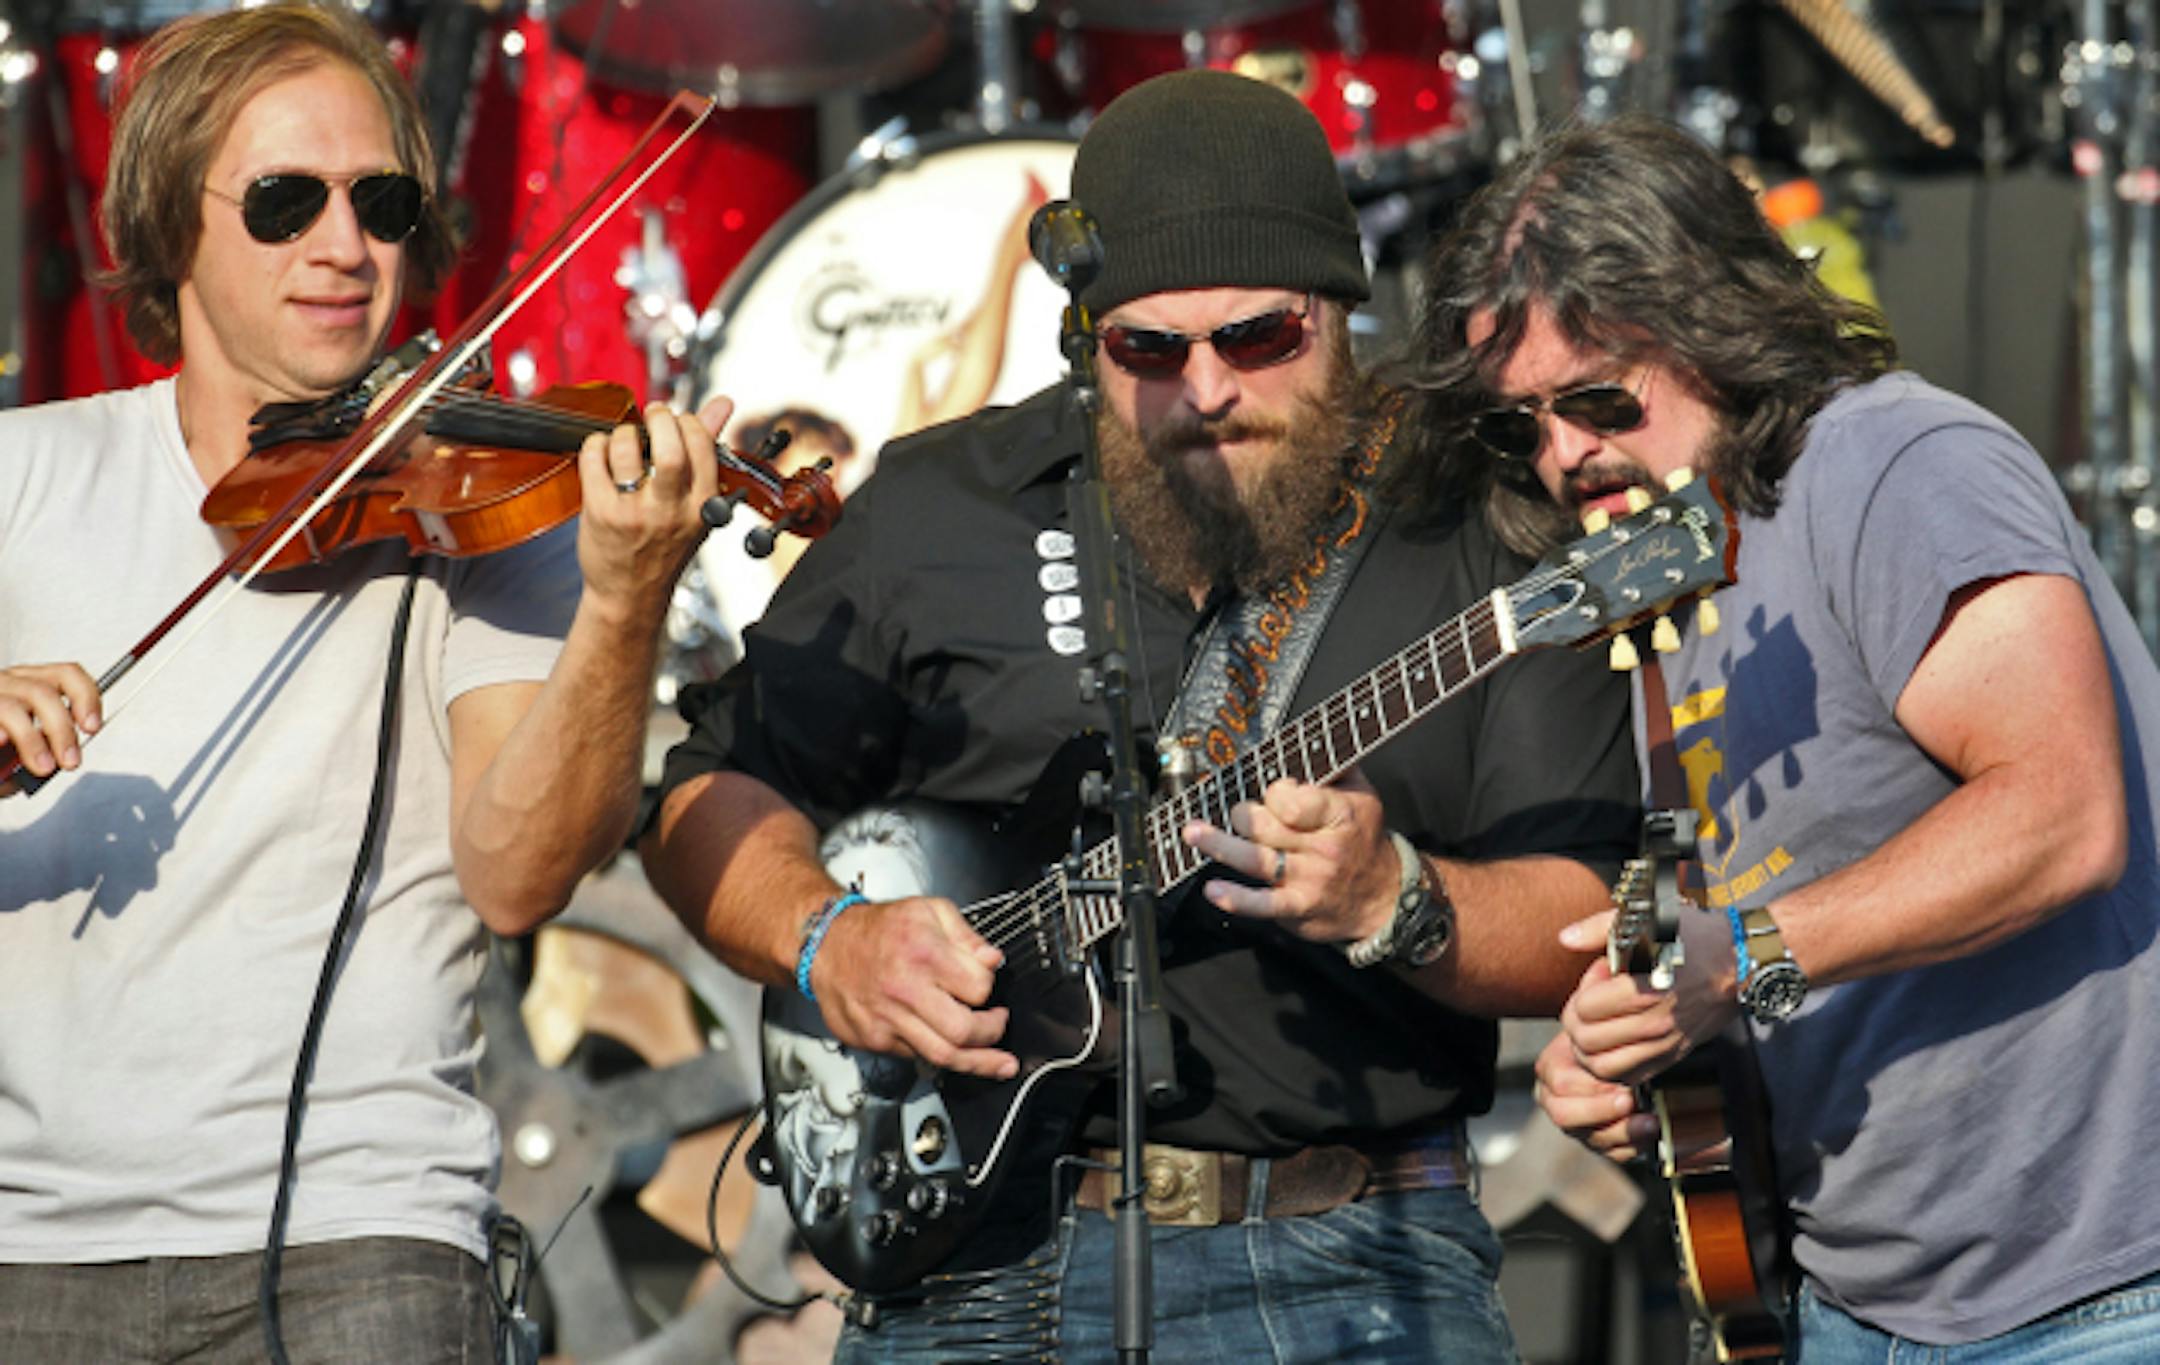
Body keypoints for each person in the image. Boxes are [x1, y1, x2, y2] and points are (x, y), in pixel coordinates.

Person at [641, 69, 1641, 1363]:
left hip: (1347, 1252)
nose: (1208, 388)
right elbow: (706, 792)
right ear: (1088, 337)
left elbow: (1586, 917)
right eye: (1149, 350)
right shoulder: (950, 504)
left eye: (1261, 338)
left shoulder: (1482, 527)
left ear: (1341, 311)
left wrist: (1402, 899)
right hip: (974, 1263)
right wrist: (830, 940)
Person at [0, 3, 733, 1359]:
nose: (345, 247)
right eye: (285, 203)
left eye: (381, 201)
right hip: (30, 1251)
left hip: (364, 1243)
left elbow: (519, 874)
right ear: (170, 224)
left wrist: (626, 599)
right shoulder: (23, 478)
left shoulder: (484, 514)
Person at [1410, 114, 2160, 1357]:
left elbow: (2064, 817)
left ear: (1713, 323)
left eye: (1597, 397)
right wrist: (1640, 1055)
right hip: (1856, 1301)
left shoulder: (1896, 461)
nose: (1563, 454)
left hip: (2092, 1291)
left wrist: (1737, 960)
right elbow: (1742, 928)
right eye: (1519, 425)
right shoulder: (1659, 572)